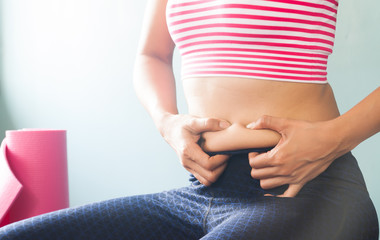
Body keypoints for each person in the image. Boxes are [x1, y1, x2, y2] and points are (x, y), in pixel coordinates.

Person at [0, 0, 378, 239]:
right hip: (203, 190)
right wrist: (167, 122)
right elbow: (151, 55)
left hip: (305, 189)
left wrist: (336, 137)